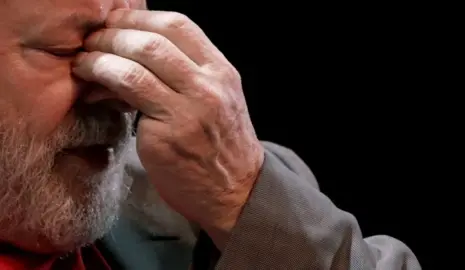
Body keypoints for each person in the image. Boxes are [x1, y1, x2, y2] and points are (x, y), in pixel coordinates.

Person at [0, 0, 422, 269]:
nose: (122, 91)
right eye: (65, 51)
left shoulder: (221, 204)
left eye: (129, 44)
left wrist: (239, 197)